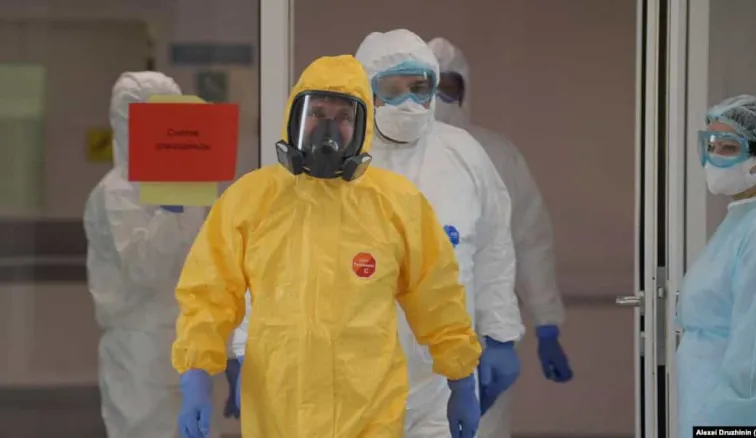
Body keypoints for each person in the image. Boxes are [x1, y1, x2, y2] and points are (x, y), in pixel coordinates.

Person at [171, 54, 483, 438]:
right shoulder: (250, 200)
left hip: (368, 411)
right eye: (317, 113)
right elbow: (209, 292)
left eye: (344, 117)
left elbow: (436, 294)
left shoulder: (396, 204)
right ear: (294, 116)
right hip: (278, 410)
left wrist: (460, 376)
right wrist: (196, 372)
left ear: (362, 125)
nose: (328, 128)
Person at [352, 29, 525, 437]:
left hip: (445, 378)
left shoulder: (463, 155)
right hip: (354, 375)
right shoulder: (343, 159)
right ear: (363, 88)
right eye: (391, 90)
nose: (408, 103)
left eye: (419, 88)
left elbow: (493, 250)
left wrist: (500, 336)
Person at [427, 37, 572, 437]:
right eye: (429, 85)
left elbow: (530, 240)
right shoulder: (387, 158)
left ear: (465, 90)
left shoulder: (496, 155)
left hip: (480, 334)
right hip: (403, 336)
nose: (438, 98)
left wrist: (546, 323)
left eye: (449, 86)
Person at [83, 72, 208, 438]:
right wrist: (169, 212)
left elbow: (205, 262)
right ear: (128, 123)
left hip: (187, 342)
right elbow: (145, 269)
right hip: (138, 350)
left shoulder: (188, 187)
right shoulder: (115, 193)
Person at [676, 94, 756, 436]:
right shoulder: (745, 218)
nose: (715, 157)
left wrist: (731, 424)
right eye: (711, 145)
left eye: (729, 148)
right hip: (711, 406)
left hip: (738, 417)